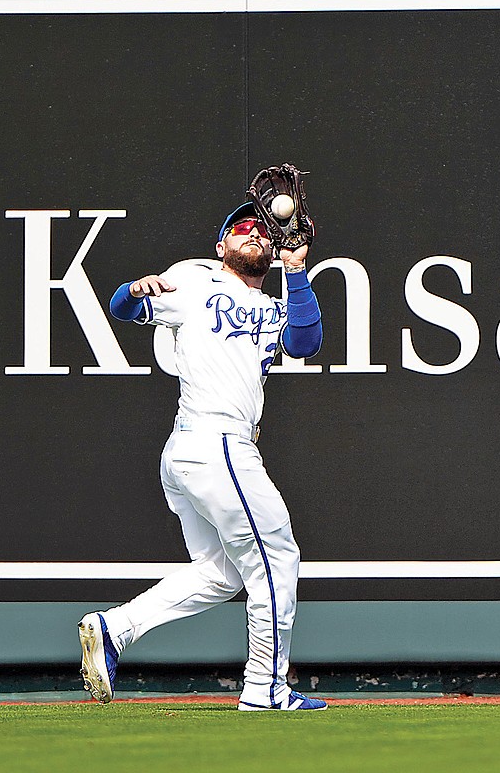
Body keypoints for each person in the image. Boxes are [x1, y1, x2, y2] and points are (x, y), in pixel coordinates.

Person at [78, 201, 326, 711]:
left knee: (223, 572)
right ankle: (266, 689)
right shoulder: (195, 281)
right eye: (241, 229)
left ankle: (115, 628)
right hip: (215, 444)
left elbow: (307, 342)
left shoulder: (279, 304)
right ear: (221, 246)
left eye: (262, 230)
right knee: (277, 559)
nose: (253, 234)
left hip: (198, 451)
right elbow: (122, 308)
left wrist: (297, 269)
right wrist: (134, 289)